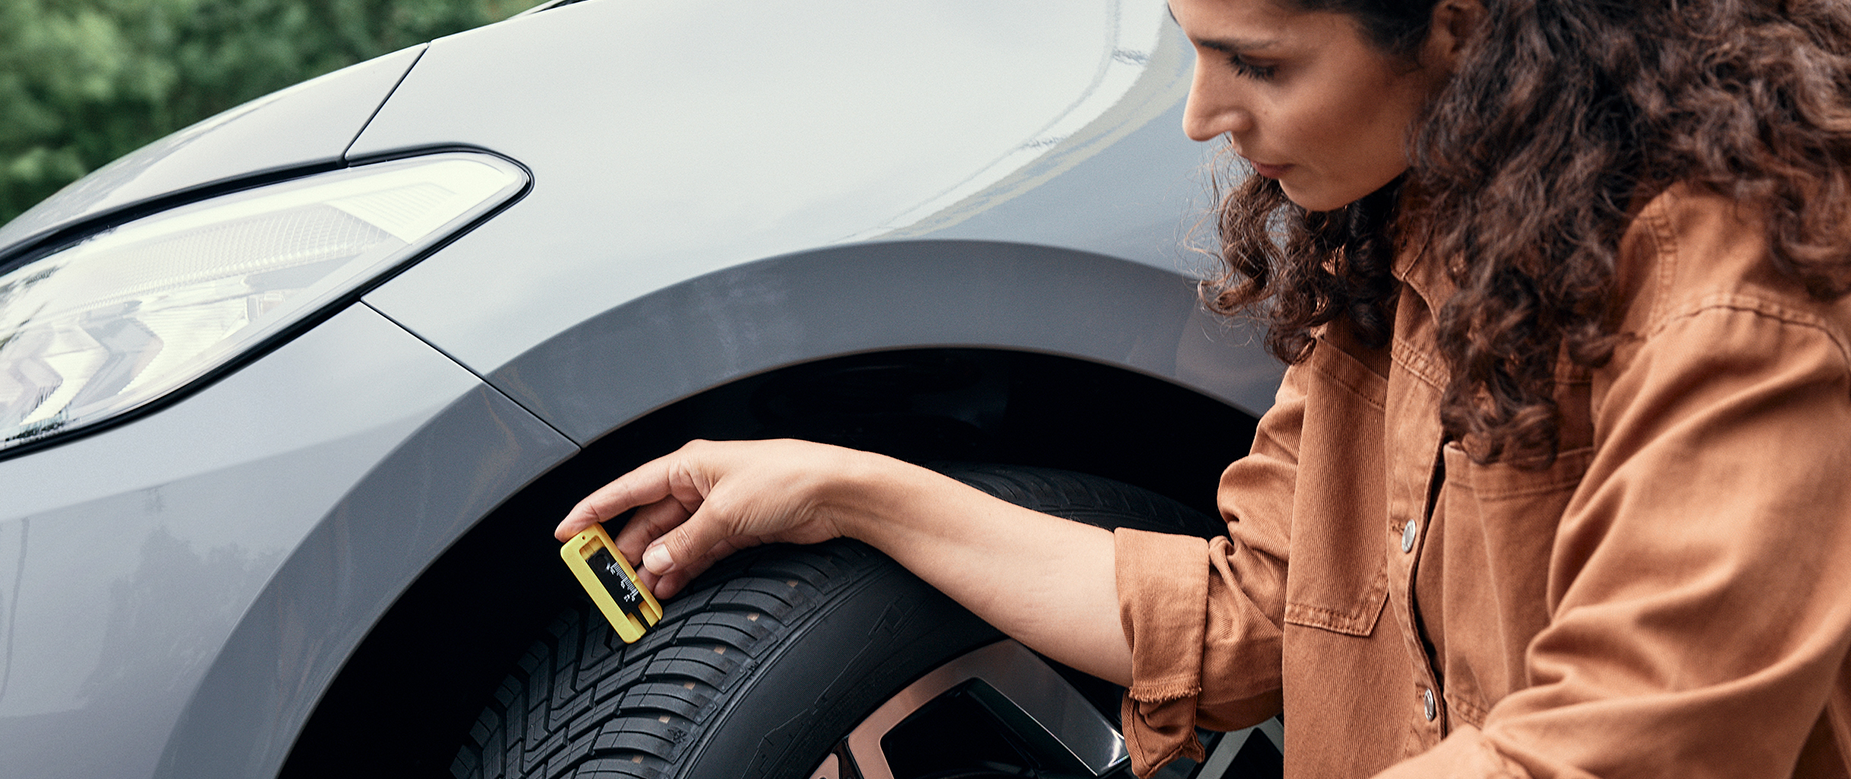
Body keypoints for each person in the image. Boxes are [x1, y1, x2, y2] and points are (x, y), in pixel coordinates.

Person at [555, 0, 1851, 775]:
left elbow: (1629, 743)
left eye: (1261, 63)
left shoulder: (1737, 299)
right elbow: (1257, 611)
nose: (1200, 115)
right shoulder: (1398, 241)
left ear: (1466, 26)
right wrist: (847, 490)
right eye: (1193, 45)